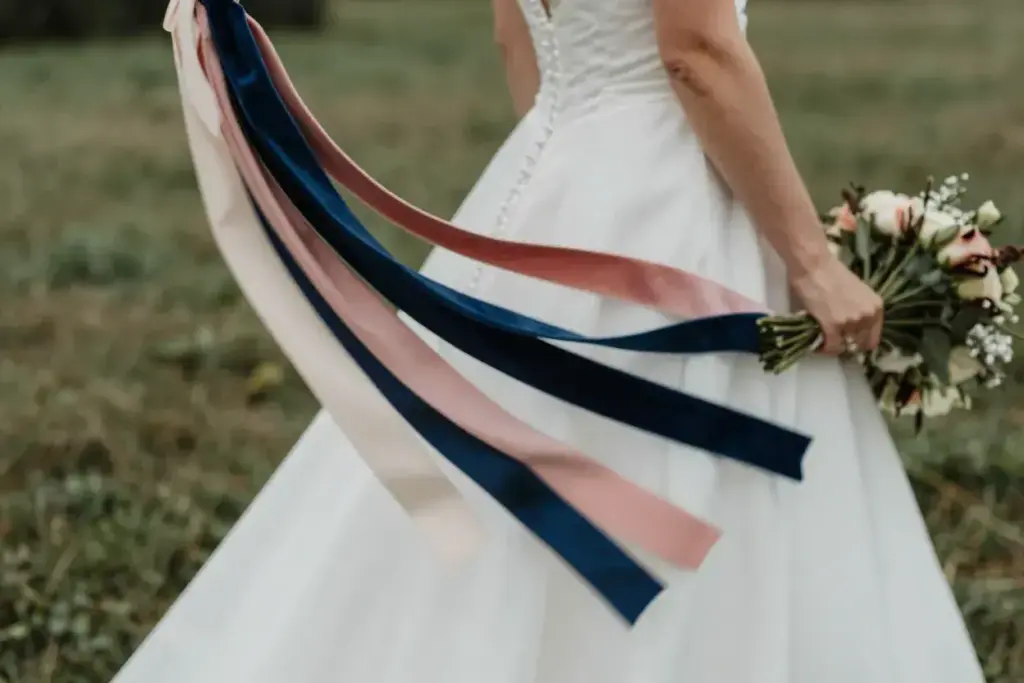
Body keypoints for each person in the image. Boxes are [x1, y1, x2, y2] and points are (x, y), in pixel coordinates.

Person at [114, 0, 985, 681]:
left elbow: (513, 36)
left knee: (518, 461)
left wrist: (575, 174)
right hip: (669, 205)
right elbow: (697, 51)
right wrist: (812, 262)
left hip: (555, 172)